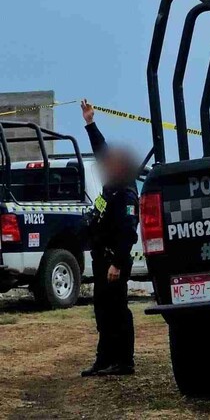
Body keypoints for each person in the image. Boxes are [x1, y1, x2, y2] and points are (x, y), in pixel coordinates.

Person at [79, 99, 139, 377]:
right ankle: (104, 360)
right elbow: (101, 150)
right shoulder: (111, 186)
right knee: (103, 312)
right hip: (102, 259)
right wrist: (90, 123)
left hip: (115, 262)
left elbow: (128, 232)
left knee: (118, 312)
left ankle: (124, 361)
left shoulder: (126, 193)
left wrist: (117, 262)